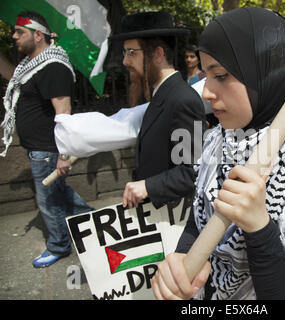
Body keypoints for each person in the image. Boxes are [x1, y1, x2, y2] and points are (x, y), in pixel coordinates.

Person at [151, 7, 285, 300]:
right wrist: (182, 263)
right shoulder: (218, 139)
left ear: (267, 73)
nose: (206, 92)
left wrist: (259, 228)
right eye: (206, 75)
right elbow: (200, 221)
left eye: (220, 75)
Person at [1, 11, 94, 268]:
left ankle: (59, 246)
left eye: (20, 32)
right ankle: (95, 223)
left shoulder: (53, 66)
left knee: (49, 200)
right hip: (39, 149)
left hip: (47, 149)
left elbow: (64, 113)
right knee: (60, 193)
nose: (14, 36)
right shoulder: (32, 65)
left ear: (38, 34)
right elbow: (16, 80)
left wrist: (64, 155)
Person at [109, 11, 206, 210]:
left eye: (132, 52)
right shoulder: (161, 95)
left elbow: (192, 171)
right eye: (124, 53)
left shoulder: (182, 100)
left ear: (158, 54)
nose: (125, 62)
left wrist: (147, 186)